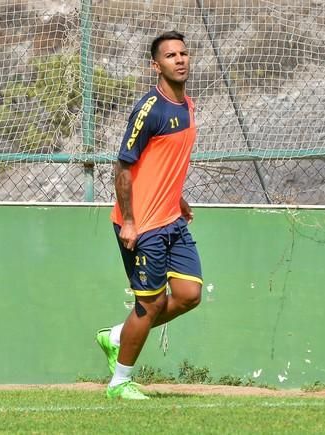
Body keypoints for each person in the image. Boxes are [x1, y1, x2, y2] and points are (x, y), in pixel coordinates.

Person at [95, 30, 203, 400]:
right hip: (142, 225)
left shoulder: (187, 105)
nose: (180, 60)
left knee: (189, 294)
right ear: (155, 65)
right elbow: (123, 168)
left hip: (172, 218)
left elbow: (164, 164)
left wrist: (179, 197)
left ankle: (117, 336)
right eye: (171, 55)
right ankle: (120, 382)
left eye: (184, 53)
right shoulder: (149, 109)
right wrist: (128, 220)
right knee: (151, 302)